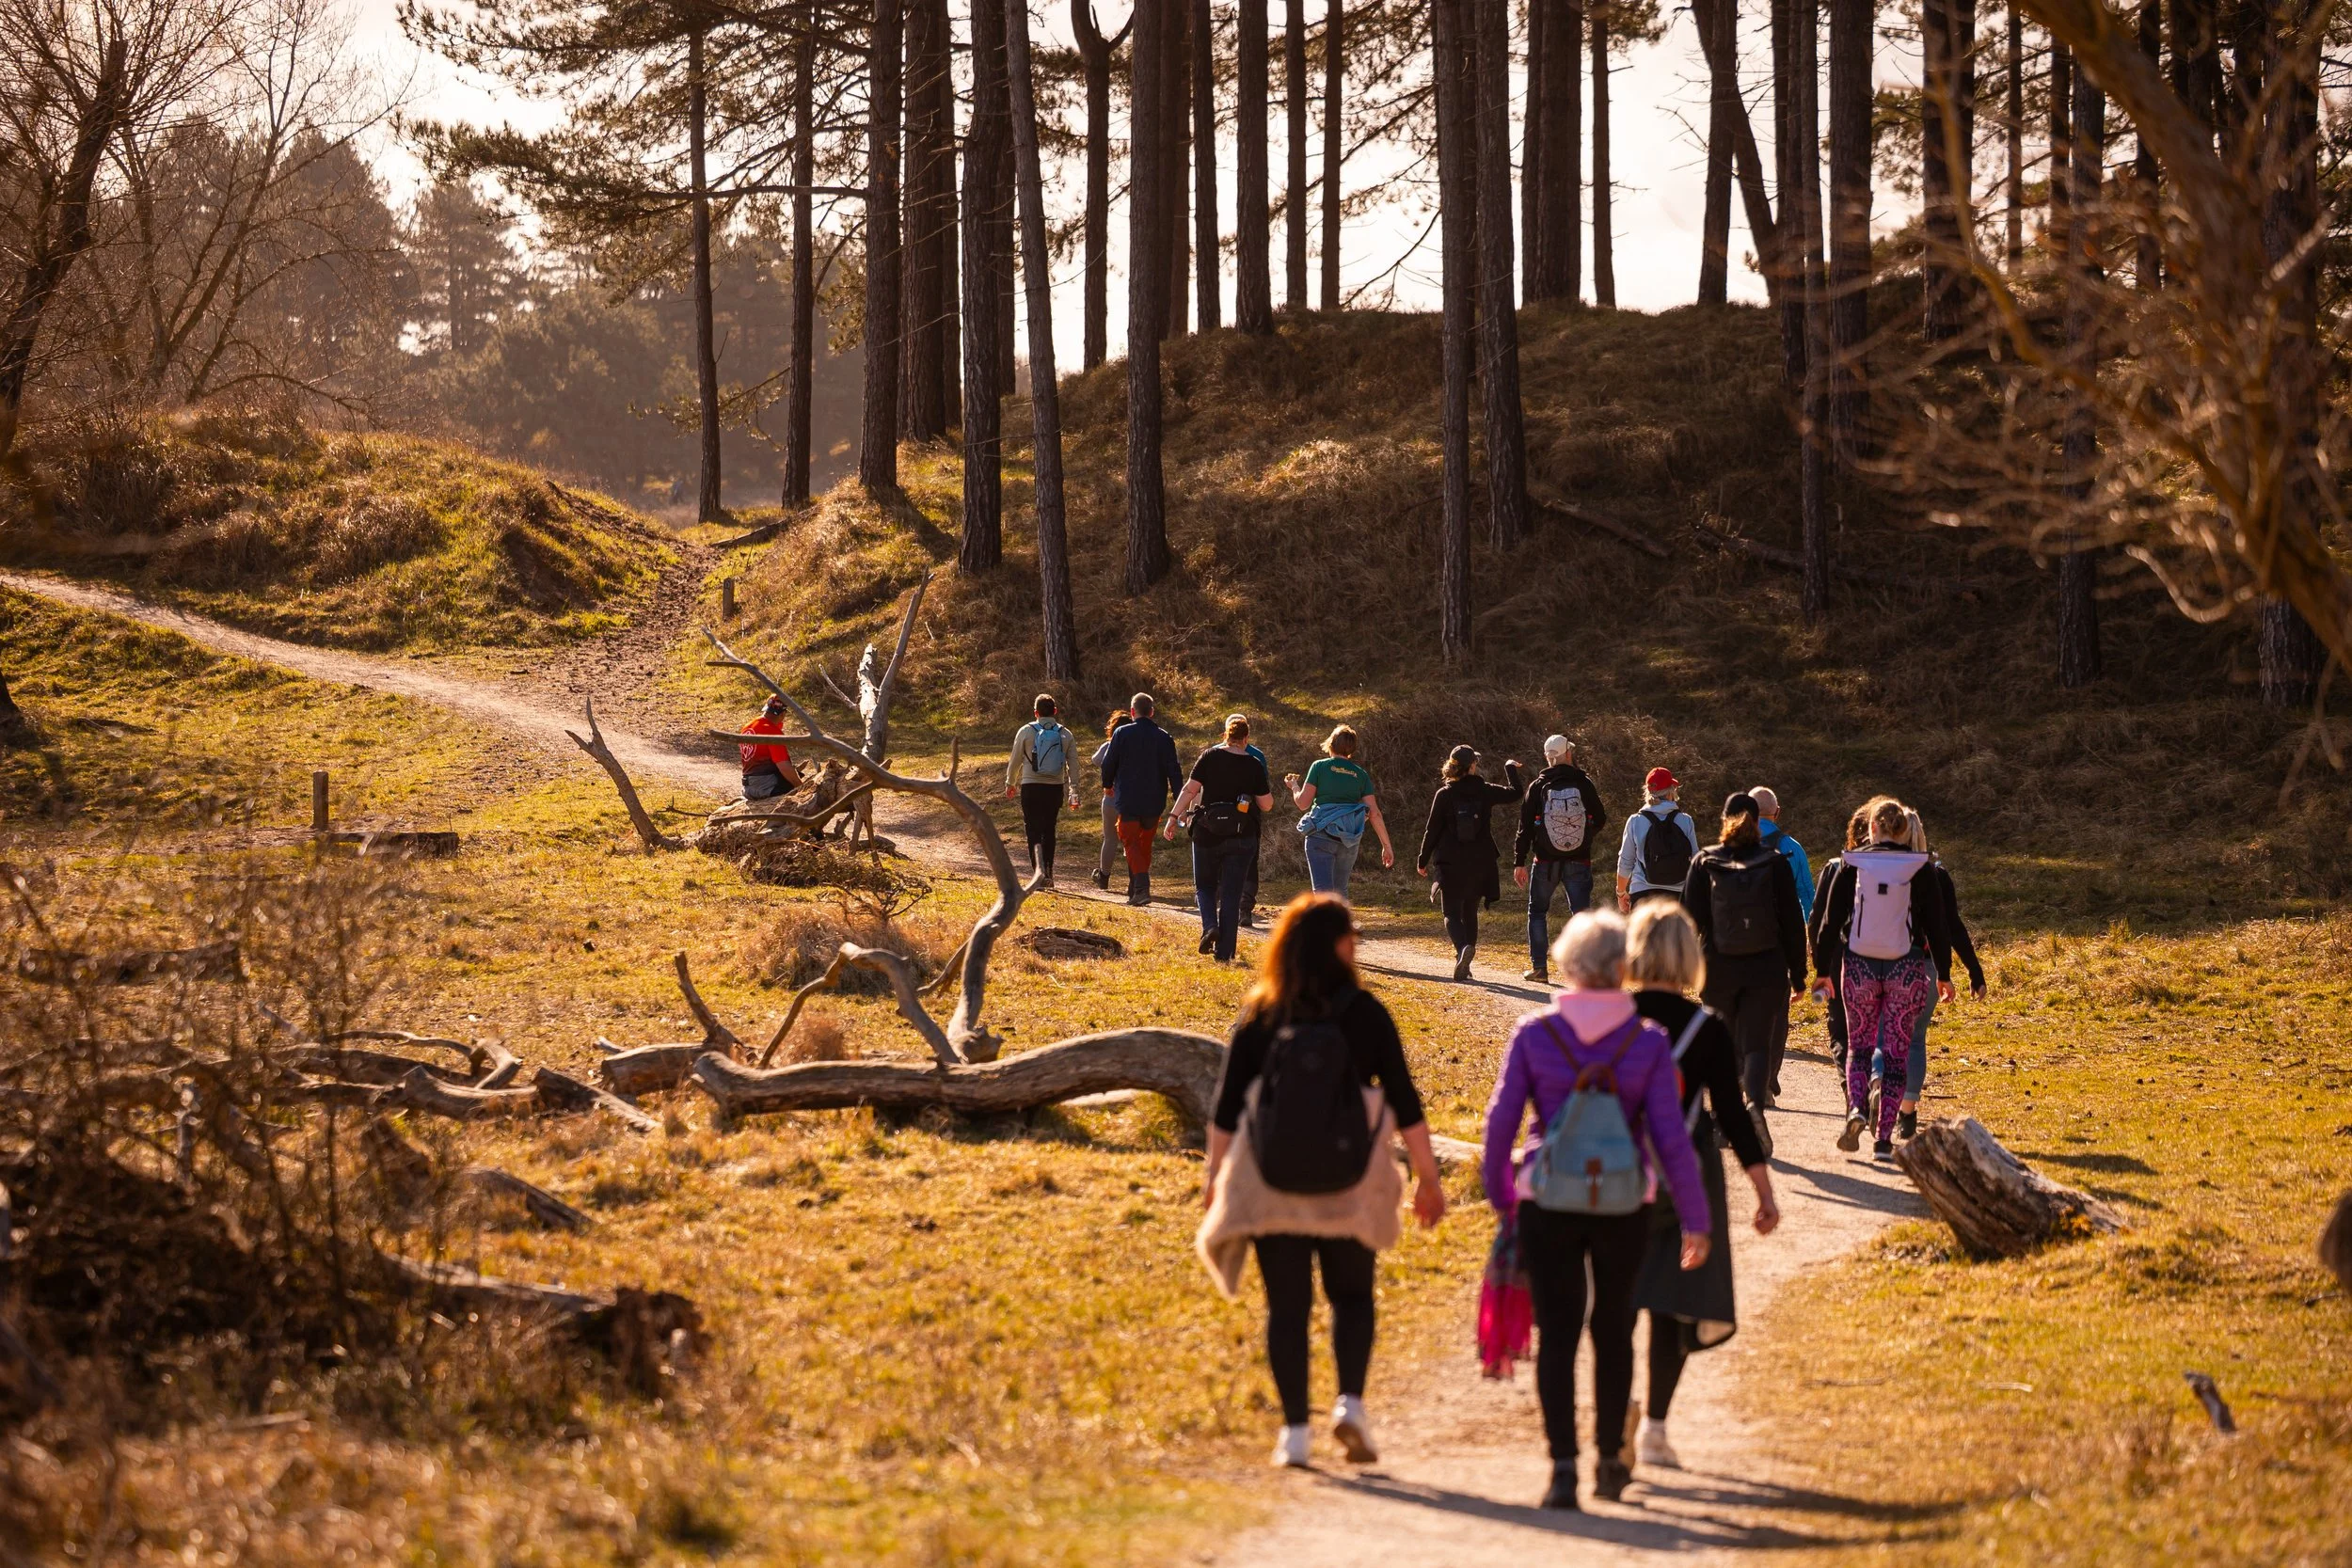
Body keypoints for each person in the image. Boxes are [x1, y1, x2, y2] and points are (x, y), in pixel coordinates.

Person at [1198, 895, 1448, 1468]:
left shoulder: (1262, 1013)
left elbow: (1227, 1107)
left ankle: (1294, 1436)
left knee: (1287, 1308)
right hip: (1351, 1180)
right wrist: (1427, 1179)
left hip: (1270, 1183)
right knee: (1353, 1296)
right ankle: (1351, 1408)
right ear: (1336, 945)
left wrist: (1215, 1179)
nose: (1356, 945)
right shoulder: (1364, 1012)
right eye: (1351, 936)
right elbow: (1406, 1103)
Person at [1481, 909, 1710, 1511]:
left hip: (1547, 1199)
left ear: (1570, 964)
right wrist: (1696, 1218)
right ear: (1622, 968)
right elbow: (1670, 1139)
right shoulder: (1647, 1043)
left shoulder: (1534, 1034)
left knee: (1556, 1333)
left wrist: (1505, 1196)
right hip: (1622, 1204)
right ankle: (1610, 1460)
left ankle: (1562, 1470)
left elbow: (1501, 1124)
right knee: (1612, 1331)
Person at [1624, 902, 1780, 1472]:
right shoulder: (1705, 1027)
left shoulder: (1610, 1015)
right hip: (1685, 1173)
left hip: (1614, 1174)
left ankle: (1620, 1404)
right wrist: (1763, 1190)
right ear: (1690, 956)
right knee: (1671, 1305)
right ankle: (1656, 1432)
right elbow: (1733, 1117)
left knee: (1617, 1301)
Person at [1813, 797, 1954, 1160]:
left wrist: (1821, 971)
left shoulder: (1853, 863)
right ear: (1905, 830)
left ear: (1871, 827)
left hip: (1858, 965)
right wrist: (1944, 973)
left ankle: (1857, 1108)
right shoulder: (1920, 869)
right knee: (1895, 1054)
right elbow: (1937, 926)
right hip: (1904, 968)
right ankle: (1883, 1141)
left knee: (1859, 1047)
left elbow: (1829, 923)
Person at [1679, 794, 1807, 1136]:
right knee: (1756, 1044)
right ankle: (1754, 1106)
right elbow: (1793, 922)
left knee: (1722, 1044)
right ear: (1757, 820)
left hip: (1717, 966)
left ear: (1725, 819)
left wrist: (1684, 968)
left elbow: (1688, 921)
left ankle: (1724, 1119)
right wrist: (1798, 974)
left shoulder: (1704, 861)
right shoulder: (1776, 861)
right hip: (1766, 967)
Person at [1887, 809, 1985, 1141]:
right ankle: (1908, 1116)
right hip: (1926, 967)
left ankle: (1877, 1094)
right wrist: (1973, 969)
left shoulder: (1877, 870)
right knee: (1915, 1040)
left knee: (1884, 1037)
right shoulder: (1937, 875)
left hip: (1881, 966)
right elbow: (1952, 928)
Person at [1168, 715, 1276, 962]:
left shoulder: (1209, 756)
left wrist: (1174, 816)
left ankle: (1209, 927)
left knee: (1204, 886)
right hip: (1242, 834)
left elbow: (1189, 790)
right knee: (1231, 894)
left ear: (1225, 735)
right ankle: (1225, 955)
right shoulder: (1254, 764)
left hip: (1208, 832)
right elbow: (1267, 805)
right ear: (1246, 739)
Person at [1416, 745, 1526, 981]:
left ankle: (1462, 949)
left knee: (1452, 913)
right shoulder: (1485, 790)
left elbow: (1432, 830)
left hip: (1451, 863)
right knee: (1470, 912)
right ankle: (1466, 961)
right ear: (1472, 766)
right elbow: (1516, 792)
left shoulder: (1444, 794)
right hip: (1481, 862)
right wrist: (1509, 768)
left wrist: (1422, 860)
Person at [1514, 735, 1607, 984]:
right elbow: (1600, 817)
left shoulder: (1537, 786)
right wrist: (1585, 837)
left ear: (1548, 757)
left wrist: (1519, 861)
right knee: (1581, 915)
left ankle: (1540, 969)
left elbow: (1524, 827)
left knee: (1537, 912)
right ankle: (1587, 972)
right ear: (1567, 754)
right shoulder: (1583, 783)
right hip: (1579, 860)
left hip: (1544, 860)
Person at [1285, 725, 1395, 898]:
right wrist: (1386, 847)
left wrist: (1294, 786)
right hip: (1348, 839)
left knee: (1322, 893)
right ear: (1351, 749)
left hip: (1320, 836)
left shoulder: (1319, 767)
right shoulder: (1361, 775)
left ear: (1330, 744)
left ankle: (1325, 925)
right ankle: (1340, 925)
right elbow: (1375, 813)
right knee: (1340, 891)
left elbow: (1303, 803)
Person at [1097, 693, 1183, 907]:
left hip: (1128, 798)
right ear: (1152, 712)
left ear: (1132, 712)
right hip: (1155, 801)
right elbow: (1175, 771)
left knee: (1129, 840)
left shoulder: (1122, 733)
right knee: (1144, 844)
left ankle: (1142, 888)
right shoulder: (1165, 737)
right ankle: (1134, 887)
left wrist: (1107, 785)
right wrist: (1179, 798)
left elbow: (1108, 764)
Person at [1805, 807, 1872, 1076]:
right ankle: (1874, 1080)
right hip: (1890, 956)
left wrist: (1818, 962)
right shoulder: (1903, 868)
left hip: (1840, 956)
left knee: (1841, 1025)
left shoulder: (1836, 866)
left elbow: (1818, 919)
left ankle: (1852, 1090)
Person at [1004, 695, 1078, 886]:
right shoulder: (1066, 734)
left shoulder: (1026, 731)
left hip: (1031, 786)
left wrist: (1010, 783)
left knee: (1033, 830)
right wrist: (1073, 790)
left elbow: (1015, 760)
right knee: (1049, 828)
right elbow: (1073, 765)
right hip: (1054, 788)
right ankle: (1049, 871)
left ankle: (1039, 873)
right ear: (1055, 711)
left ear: (1036, 713)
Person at [1615, 768, 1698, 911]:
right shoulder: (1685, 821)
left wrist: (1621, 893)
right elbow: (1696, 861)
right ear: (1671, 791)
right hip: (1678, 896)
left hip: (1643, 894)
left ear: (1648, 791)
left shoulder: (1635, 821)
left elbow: (1625, 862)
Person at [1748, 786, 1816, 923]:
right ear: (1777, 812)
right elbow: (1807, 895)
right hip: (1781, 931)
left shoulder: (1731, 846)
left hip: (1738, 933)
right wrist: (1811, 933)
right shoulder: (1792, 847)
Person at [1089, 709, 1132, 890]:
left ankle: (1104, 875)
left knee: (1110, 838)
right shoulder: (1136, 747)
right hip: (1131, 798)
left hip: (1111, 797)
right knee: (1131, 840)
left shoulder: (1109, 746)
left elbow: (1095, 760)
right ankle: (1135, 878)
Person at [738, 694, 804, 800]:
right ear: (783, 714)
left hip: (747, 787)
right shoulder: (772, 731)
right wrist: (802, 787)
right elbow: (783, 765)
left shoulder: (747, 727)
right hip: (767, 787)